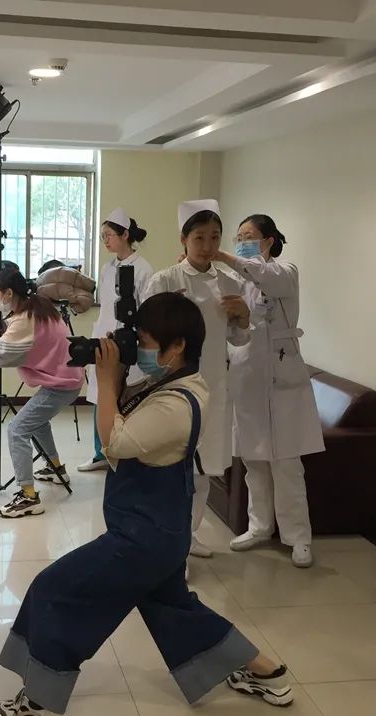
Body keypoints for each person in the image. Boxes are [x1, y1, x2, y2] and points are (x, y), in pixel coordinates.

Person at [0, 292, 292, 716]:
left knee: (56, 590)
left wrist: (106, 380)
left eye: (147, 342)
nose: (141, 350)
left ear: (177, 346)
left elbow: (115, 443)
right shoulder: (169, 383)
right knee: (175, 610)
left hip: (143, 539)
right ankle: (268, 673)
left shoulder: (178, 402)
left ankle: (42, 706)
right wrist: (115, 371)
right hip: (159, 531)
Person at [215, 214, 324, 568]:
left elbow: (263, 275)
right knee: (253, 460)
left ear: (269, 241)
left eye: (249, 236)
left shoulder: (285, 271)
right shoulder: (235, 281)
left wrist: (224, 256)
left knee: (287, 463)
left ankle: (298, 538)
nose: (241, 242)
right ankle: (259, 527)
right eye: (238, 237)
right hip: (247, 375)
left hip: (282, 377)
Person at [145, 200, 251, 559]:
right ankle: (168, 541)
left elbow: (238, 340)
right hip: (173, 386)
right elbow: (146, 341)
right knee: (172, 465)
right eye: (199, 237)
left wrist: (243, 317)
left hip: (214, 386)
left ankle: (187, 537)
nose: (207, 246)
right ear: (184, 239)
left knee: (203, 468)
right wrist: (166, 315)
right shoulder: (165, 281)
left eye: (215, 237)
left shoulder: (230, 282)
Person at [0, 268, 84, 518]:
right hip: (68, 377)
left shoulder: (25, 320)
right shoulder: (39, 305)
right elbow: (14, 337)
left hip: (61, 383)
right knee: (37, 422)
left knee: (17, 429)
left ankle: (28, 497)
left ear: (9, 293)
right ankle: (56, 469)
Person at [78, 207, 154, 473]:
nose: (105, 240)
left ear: (125, 235)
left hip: (128, 341)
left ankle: (125, 453)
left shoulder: (143, 269)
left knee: (125, 395)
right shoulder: (107, 268)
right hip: (103, 335)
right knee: (100, 394)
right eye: (102, 236)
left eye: (108, 235)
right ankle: (100, 453)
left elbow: (145, 308)